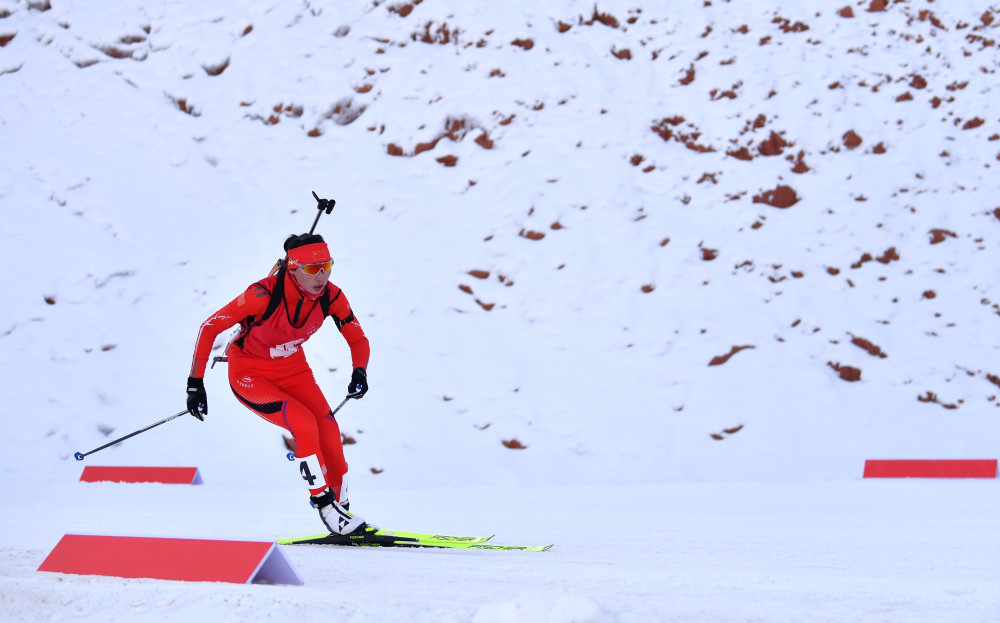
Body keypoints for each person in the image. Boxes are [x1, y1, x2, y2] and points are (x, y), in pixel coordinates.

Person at [185, 233, 372, 535]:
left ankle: (343, 513)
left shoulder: (331, 296)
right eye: (313, 269)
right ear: (293, 267)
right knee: (303, 423)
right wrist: (195, 384)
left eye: (327, 266)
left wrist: (360, 371)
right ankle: (325, 506)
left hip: (294, 371)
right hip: (250, 375)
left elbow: (358, 338)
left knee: (330, 434)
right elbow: (209, 327)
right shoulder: (262, 294)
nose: (321, 276)